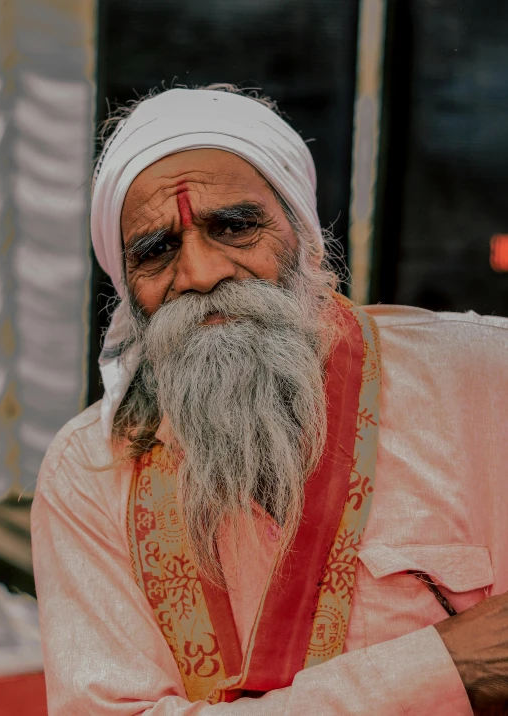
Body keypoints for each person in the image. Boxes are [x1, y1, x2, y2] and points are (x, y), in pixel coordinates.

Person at [31, 85, 508, 715]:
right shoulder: (88, 474)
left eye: (234, 227)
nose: (200, 273)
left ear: (304, 235)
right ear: (128, 288)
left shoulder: (481, 379)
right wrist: (443, 668)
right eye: (157, 250)